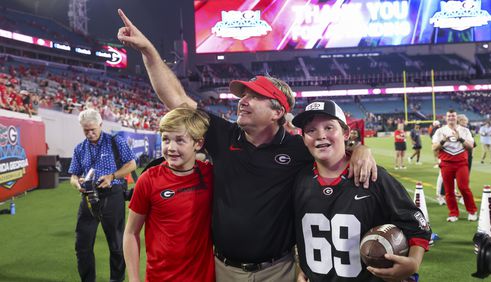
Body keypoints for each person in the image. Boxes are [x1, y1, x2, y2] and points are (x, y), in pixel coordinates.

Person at [117, 9, 377, 281]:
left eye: (254, 97)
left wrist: (360, 150)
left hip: (278, 270)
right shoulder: (223, 135)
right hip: (224, 269)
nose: (242, 100)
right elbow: (177, 99)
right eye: (243, 95)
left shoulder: (298, 149)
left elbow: (334, 156)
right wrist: (147, 50)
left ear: (277, 112)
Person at [291, 100, 431, 281]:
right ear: (303, 139)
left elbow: (417, 226)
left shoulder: (373, 176)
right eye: (311, 130)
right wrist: (305, 265)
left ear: (346, 133)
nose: (320, 135)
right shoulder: (299, 180)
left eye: (329, 127)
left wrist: (413, 262)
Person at [123, 107, 214, 282]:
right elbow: (131, 233)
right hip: (160, 277)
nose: (171, 148)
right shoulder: (148, 180)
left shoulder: (212, 175)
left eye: (180, 141)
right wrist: (134, 279)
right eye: (166, 139)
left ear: (198, 143)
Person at [68, 108, 137, 282]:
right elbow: (73, 175)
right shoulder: (79, 148)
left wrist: (112, 176)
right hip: (88, 199)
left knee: (116, 246)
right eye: (86, 130)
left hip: (112, 196)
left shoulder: (115, 141)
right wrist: (77, 183)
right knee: (82, 246)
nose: (90, 133)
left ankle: (116, 280)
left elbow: (132, 165)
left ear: (100, 124)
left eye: (93, 129)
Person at [432, 109, 477, 222]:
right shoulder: (440, 131)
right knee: (449, 190)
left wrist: (460, 138)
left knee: (463, 187)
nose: (451, 118)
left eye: (453, 116)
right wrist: (443, 140)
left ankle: (472, 211)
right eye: (449, 116)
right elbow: (434, 147)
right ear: (446, 118)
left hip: (461, 163)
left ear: (456, 117)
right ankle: (453, 213)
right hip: (446, 163)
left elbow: (470, 146)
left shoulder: (465, 130)